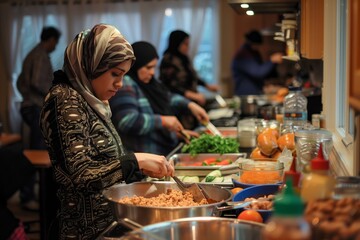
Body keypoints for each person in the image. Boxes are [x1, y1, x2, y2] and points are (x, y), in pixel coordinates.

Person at [39, 24, 174, 239]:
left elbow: (104, 160)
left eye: (123, 75)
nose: (119, 84)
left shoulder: (91, 99)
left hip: (109, 223)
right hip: (86, 231)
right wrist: (135, 161)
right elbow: (81, 176)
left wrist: (141, 168)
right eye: (115, 74)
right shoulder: (64, 99)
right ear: (93, 65)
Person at [109, 41, 209, 155]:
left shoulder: (149, 83)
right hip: (146, 158)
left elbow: (168, 97)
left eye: (154, 68)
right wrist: (163, 121)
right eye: (148, 67)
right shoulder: (126, 84)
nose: (152, 72)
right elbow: (127, 121)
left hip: (163, 153)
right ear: (136, 65)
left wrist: (190, 105)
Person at [16, 26, 61, 212]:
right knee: (38, 152)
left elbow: (20, 81)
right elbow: (36, 81)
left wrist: (26, 96)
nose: (55, 46)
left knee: (37, 151)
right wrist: (54, 94)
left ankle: (29, 195)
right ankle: (27, 197)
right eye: (55, 42)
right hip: (35, 108)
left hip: (30, 106)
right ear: (49, 40)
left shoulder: (34, 54)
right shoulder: (40, 55)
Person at [159, 30, 218, 129]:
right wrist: (192, 95)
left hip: (191, 103)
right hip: (178, 106)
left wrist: (207, 86)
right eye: (185, 44)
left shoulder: (184, 58)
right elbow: (169, 86)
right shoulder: (168, 59)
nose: (188, 47)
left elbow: (192, 76)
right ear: (177, 43)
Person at [231, 30, 283, 95]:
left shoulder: (254, 53)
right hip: (245, 95)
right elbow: (258, 72)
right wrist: (272, 61)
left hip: (256, 92)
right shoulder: (242, 55)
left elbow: (263, 71)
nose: (258, 47)